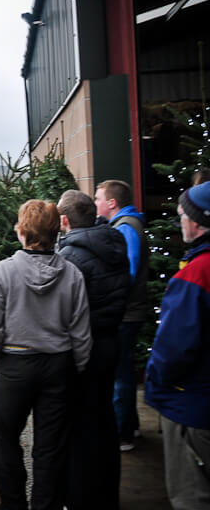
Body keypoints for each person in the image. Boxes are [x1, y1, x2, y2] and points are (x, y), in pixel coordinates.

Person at [0, 200, 92, 510]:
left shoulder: (3, 272)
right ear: (56, 231)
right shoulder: (72, 274)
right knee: (50, 447)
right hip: (59, 365)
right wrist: (77, 367)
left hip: (15, 364)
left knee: (5, 439)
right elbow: (81, 333)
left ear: (21, 230)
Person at [57, 189, 132, 510]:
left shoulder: (72, 256)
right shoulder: (115, 243)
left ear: (64, 220)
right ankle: (107, 497)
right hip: (110, 341)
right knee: (103, 420)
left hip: (84, 348)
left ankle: (83, 506)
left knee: (82, 425)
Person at [144, 181, 210, 510]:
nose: (179, 221)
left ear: (198, 222)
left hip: (193, 404)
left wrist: (159, 385)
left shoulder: (198, 272)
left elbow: (175, 346)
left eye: (183, 215)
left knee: (193, 499)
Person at [94, 179, 149, 452]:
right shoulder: (125, 225)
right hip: (129, 310)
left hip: (126, 313)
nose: (95, 203)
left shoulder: (125, 228)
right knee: (124, 371)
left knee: (121, 374)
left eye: (98, 198)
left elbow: (127, 270)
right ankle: (132, 426)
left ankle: (122, 433)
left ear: (112, 203)